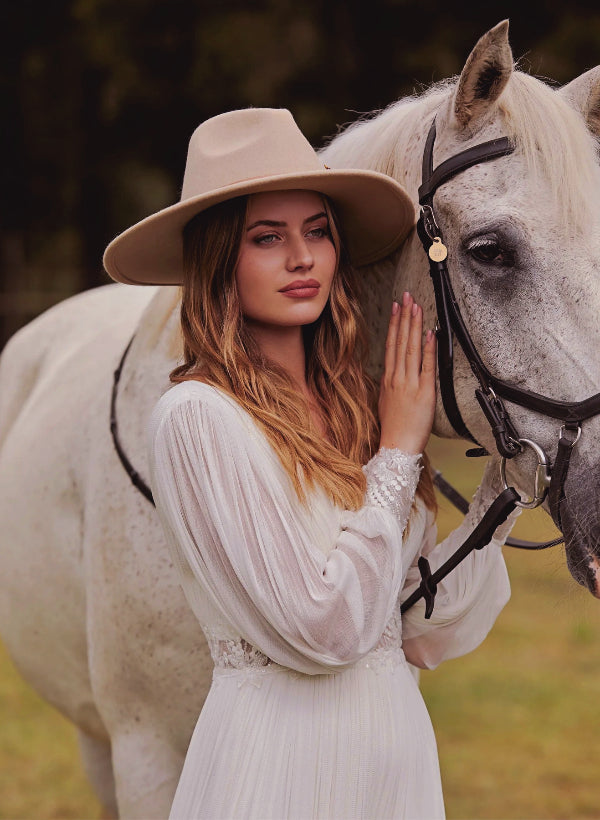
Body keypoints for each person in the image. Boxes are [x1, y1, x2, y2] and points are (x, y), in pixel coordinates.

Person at [103, 108, 516, 819]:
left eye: (317, 232)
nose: (303, 259)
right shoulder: (200, 419)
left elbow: (417, 633)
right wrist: (398, 452)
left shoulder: (362, 408)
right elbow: (324, 631)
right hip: (278, 770)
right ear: (219, 259)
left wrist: (510, 485)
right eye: (267, 239)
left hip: (394, 764)